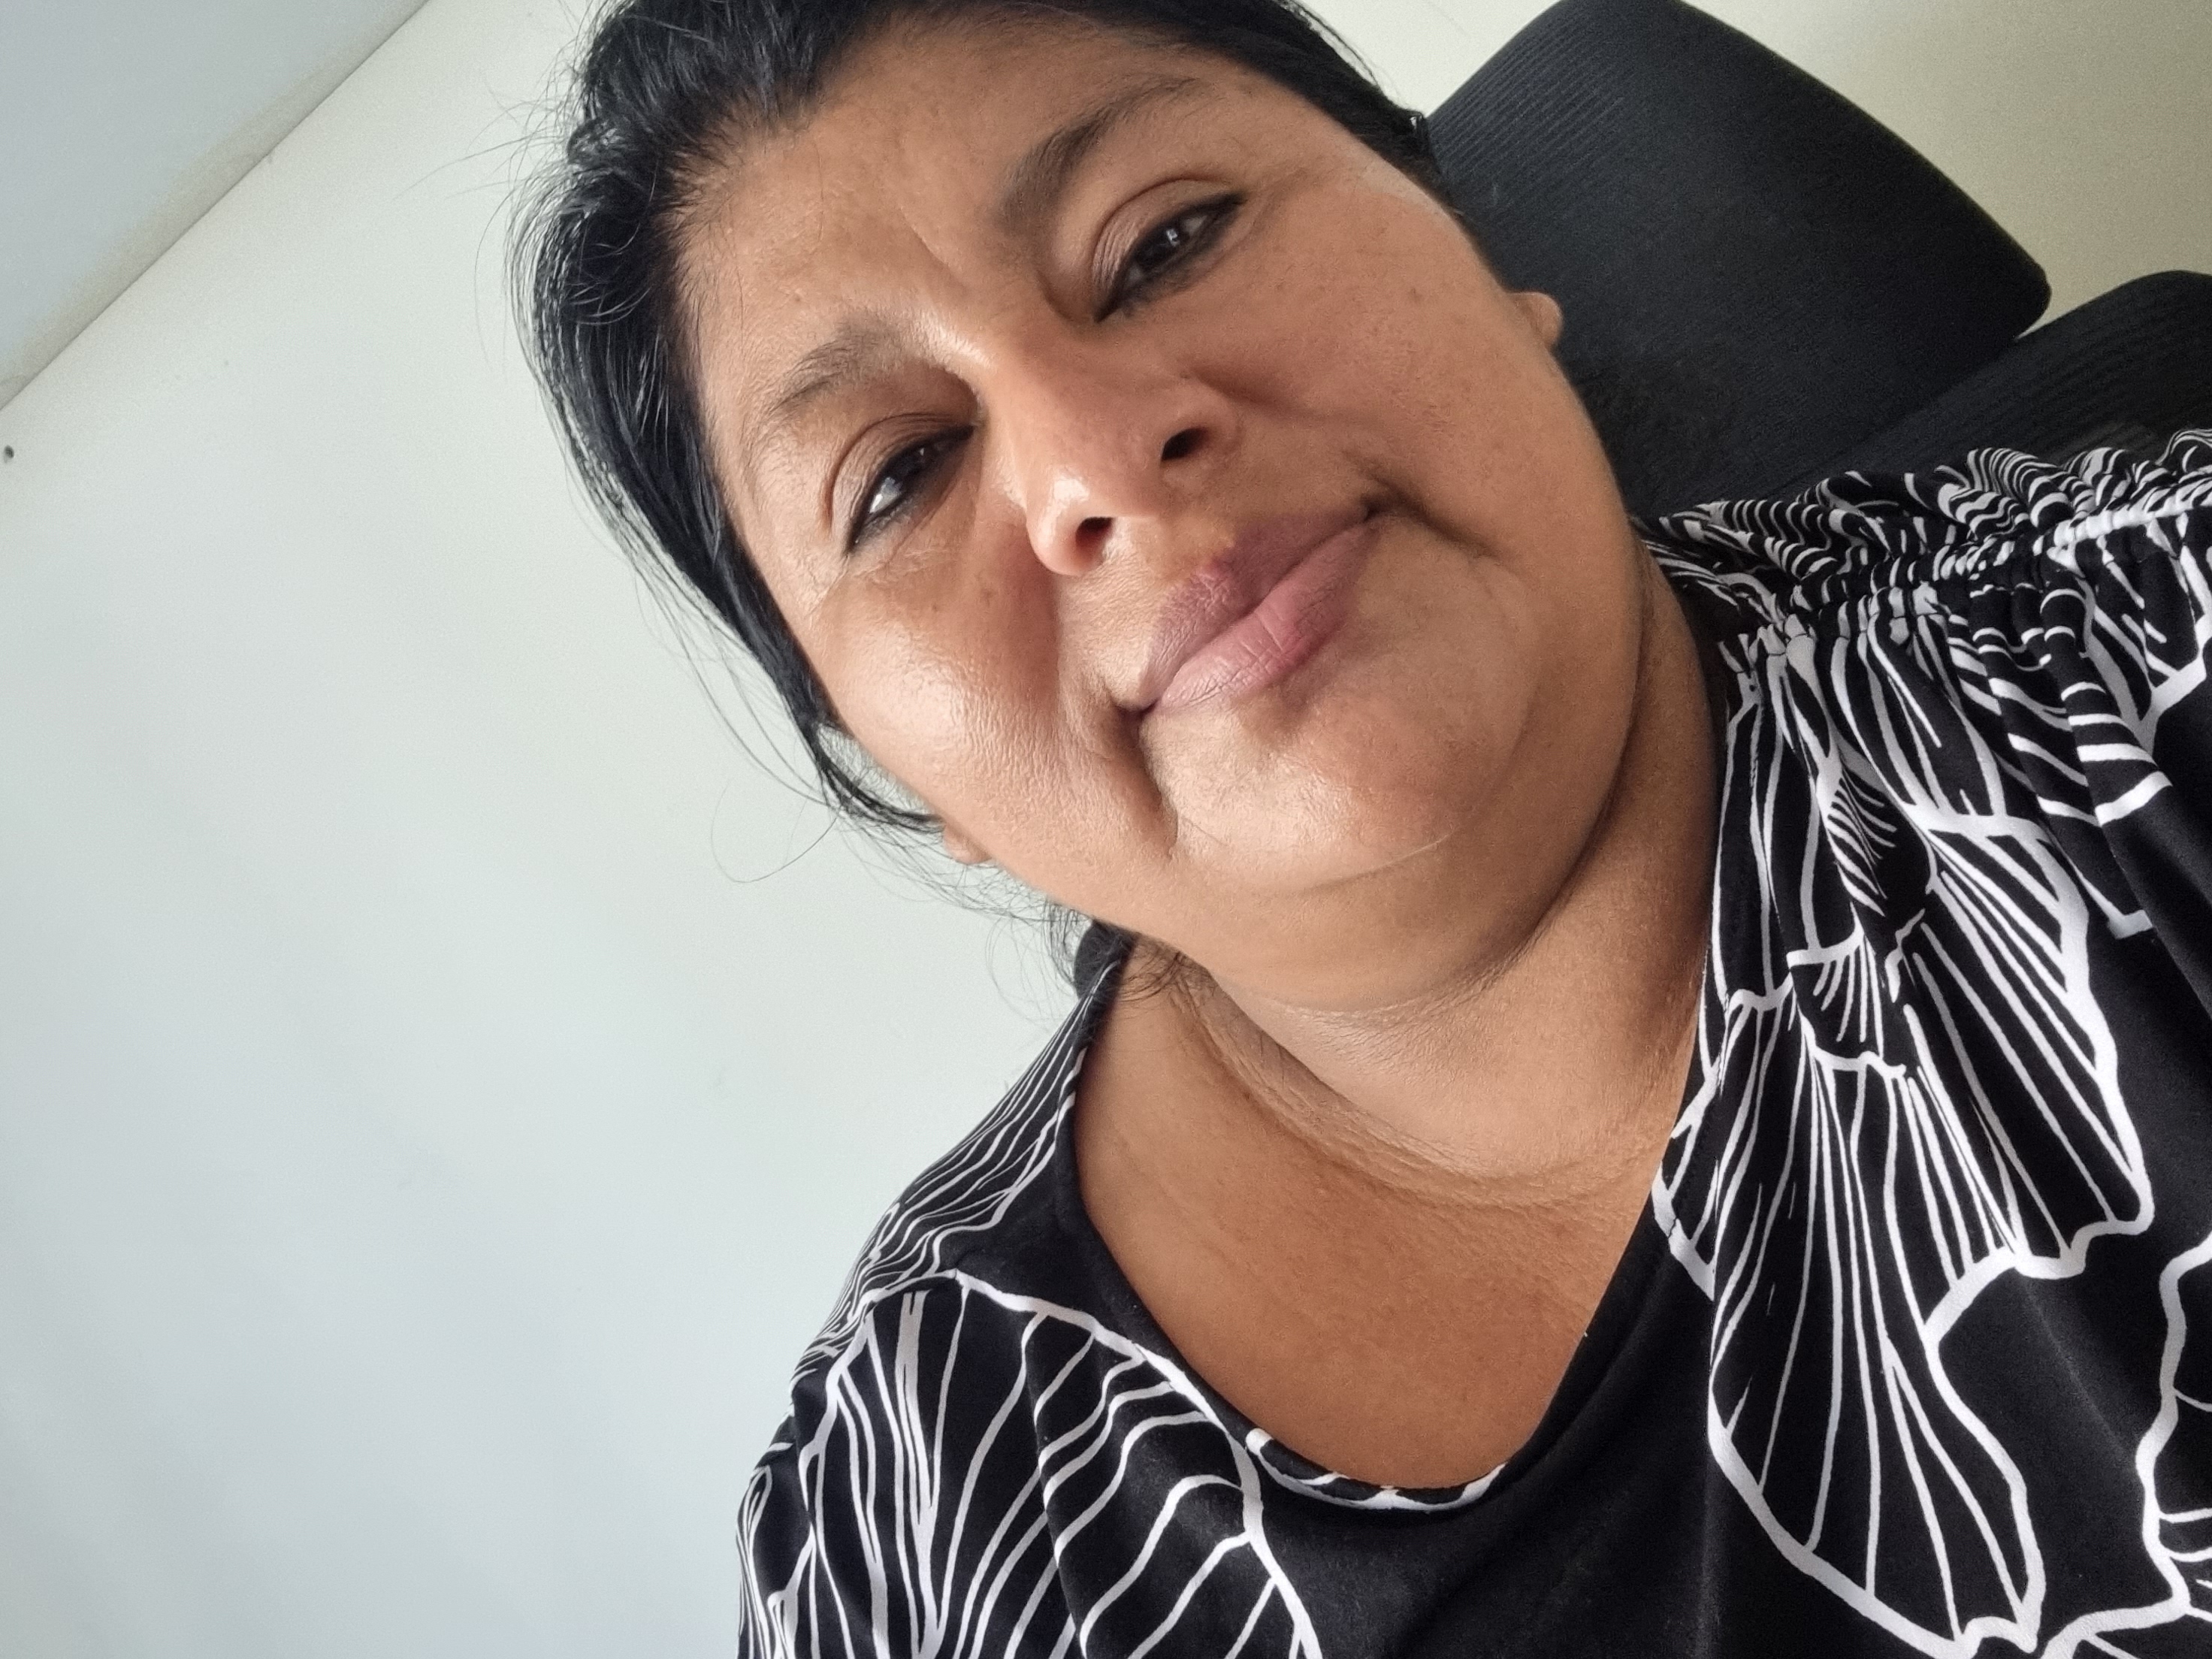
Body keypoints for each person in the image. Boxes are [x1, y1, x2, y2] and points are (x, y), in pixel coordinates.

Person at [515, 0, 2212, 1651]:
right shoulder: (911, 1514)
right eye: (899, 473)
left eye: (1165, 240)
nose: (1098, 460)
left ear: (1474, 249)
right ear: (901, 770)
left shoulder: (2147, 660)